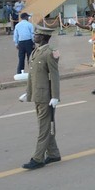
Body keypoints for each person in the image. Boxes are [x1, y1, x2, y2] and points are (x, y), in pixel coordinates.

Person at [18, 25, 61, 170]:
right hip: (37, 95)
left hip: (46, 97)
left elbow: (54, 76)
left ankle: (37, 158)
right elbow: (33, 76)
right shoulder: (35, 51)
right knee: (46, 126)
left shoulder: (50, 53)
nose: (34, 36)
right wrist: (28, 93)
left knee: (43, 128)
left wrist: (55, 96)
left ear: (42, 37)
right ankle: (53, 153)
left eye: (36, 34)